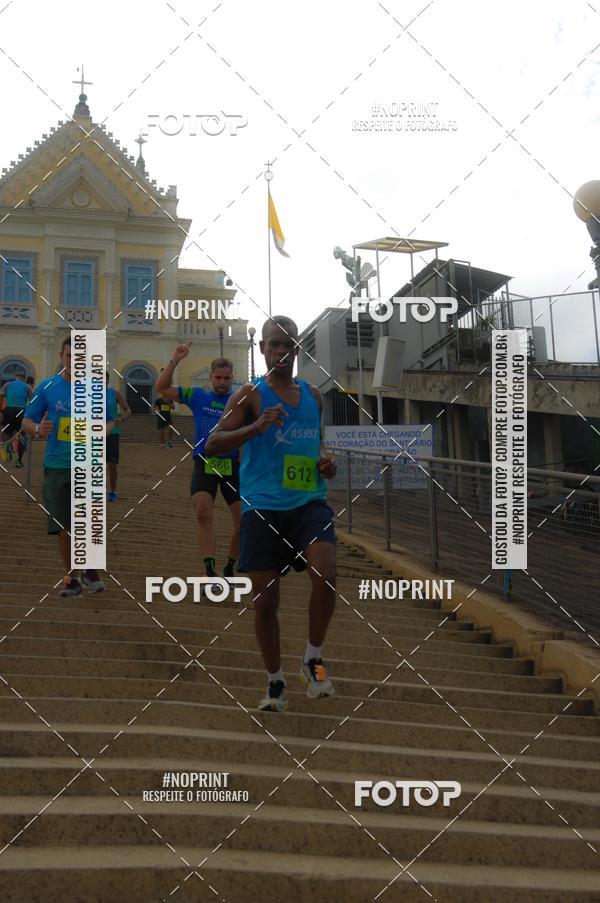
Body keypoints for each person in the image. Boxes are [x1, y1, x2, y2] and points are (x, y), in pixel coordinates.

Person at [206, 316, 337, 711]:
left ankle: (312, 657)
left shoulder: (314, 395)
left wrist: (324, 464)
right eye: (273, 345)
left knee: (326, 575)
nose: (281, 351)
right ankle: (275, 681)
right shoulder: (250, 395)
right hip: (262, 507)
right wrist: (256, 427)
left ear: (297, 349)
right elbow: (212, 444)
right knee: (266, 602)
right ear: (262, 350)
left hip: (308, 502)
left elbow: (313, 448)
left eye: (288, 344)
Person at [22, 336, 114, 596]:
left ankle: (91, 570)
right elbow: (27, 422)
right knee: (64, 527)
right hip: (57, 464)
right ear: (62, 357)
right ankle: (72, 576)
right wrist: (39, 428)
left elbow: (109, 422)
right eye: (69, 356)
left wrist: (102, 431)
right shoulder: (47, 387)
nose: (74, 361)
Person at [155, 344, 241, 587]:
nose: (222, 382)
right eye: (218, 377)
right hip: (204, 462)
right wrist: (175, 359)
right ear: (211, 377)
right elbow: (161, 388)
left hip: (231, 465)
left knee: (243, 522)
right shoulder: (198, 396)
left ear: (232, 378)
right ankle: (210, 571)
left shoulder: (240, 401)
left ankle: (229, 567)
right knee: (204, 511)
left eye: (227, 378)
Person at [105, 371, 131, 502]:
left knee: (112, 465)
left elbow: (128, 410)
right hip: (95, 433)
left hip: (113, 433)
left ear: (107, 380)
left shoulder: (114, 394)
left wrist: (122, 418)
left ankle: (113, 491)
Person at [0, 370, 32, 468]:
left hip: (9, 410)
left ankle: (5, 449)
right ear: (25, 378)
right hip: (21, 411)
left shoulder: (7, 385)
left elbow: (1, 397)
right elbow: (32, 400)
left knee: (5, 433)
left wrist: (0, 412)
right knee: (22, 435)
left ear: (16, 377)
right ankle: (19, 460)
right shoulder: (28, 387)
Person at [154, 377, 175, 448]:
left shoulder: (170, 399)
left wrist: (169, 403)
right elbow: (154, 407)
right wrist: (156, 411)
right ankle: (162, 444)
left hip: (168, 415)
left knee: (171, 428)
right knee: (162, 430)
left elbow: (173, 407)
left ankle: (169, 441)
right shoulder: (158, 400)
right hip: (161, 416)